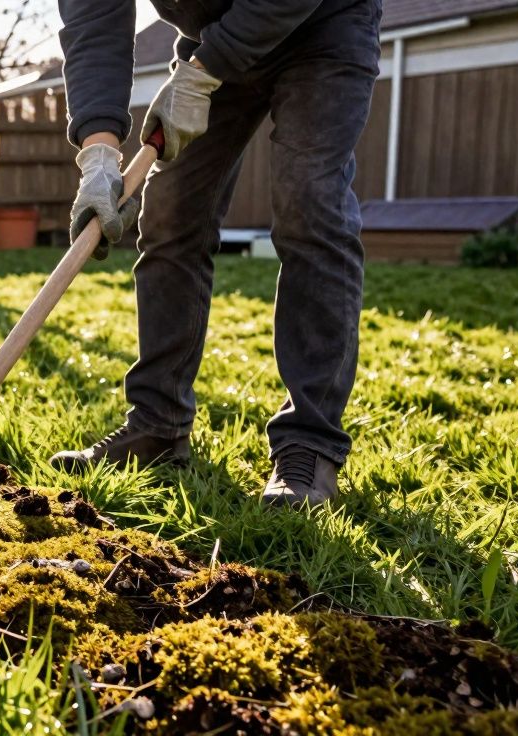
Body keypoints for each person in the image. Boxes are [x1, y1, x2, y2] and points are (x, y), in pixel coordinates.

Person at [49, 0, 384, 506]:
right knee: (170, 216)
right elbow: (94, 23)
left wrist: (203, 72)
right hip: (211, 40)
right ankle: (158, 425)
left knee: (310, 206)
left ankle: (309, 445)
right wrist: (98, 154)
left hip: (323, 27)